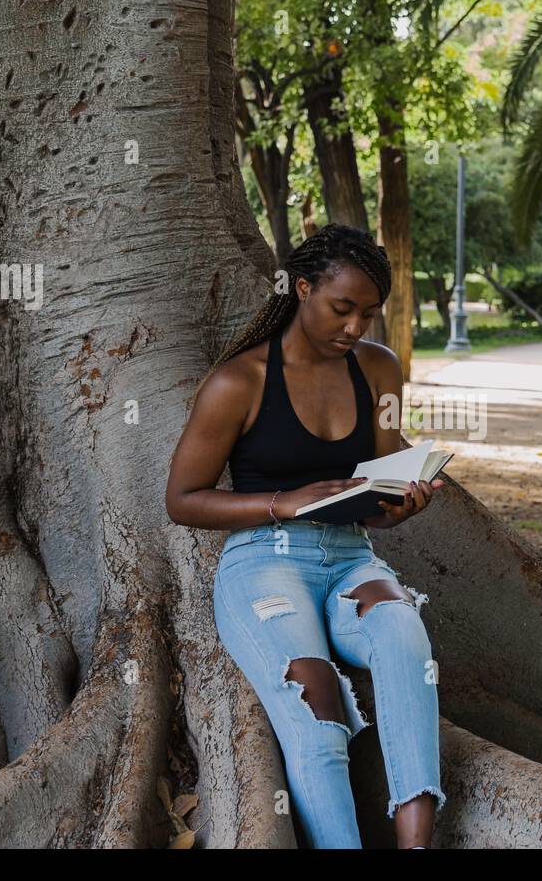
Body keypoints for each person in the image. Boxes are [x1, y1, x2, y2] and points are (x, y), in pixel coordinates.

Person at [166, 223, 446, 848]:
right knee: (314, 698)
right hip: (265, 563)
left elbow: (376, 487)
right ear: (301, 289)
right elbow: (182, 500)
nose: (355, 328)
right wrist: (281, 503)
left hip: (352, 558)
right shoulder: (240, 381)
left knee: (405, 638)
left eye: (369, 315)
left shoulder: (379, 370)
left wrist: (400, 503)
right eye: (341, 308)